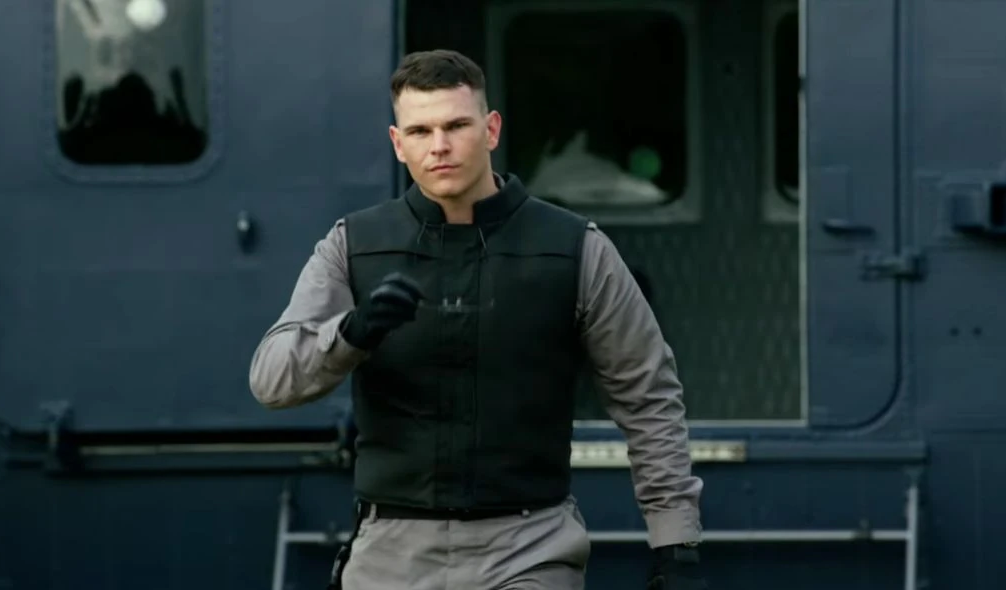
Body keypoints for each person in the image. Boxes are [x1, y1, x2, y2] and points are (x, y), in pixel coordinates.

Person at [249, 49, 708, 590]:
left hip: (529, 549)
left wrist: (676, 544)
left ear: (490, 130)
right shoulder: (353, 246)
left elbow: (648, 396)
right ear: (398, 143)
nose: (438, 146)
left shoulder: (574, 248)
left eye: (456, 126)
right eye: (419, 131)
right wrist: (353, 332)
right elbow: (271, 381)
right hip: (390, 554)